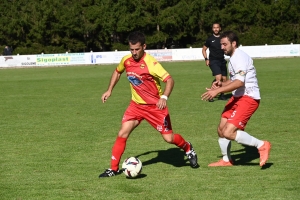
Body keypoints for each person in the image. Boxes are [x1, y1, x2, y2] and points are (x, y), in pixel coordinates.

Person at [99, 31, 199, 178]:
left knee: (169, 139)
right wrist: (109, 90)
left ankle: (188, 147)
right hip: (136, 106)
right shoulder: (126, 60)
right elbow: (117, 71)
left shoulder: (151, 63)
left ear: (144, 47)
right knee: (122, 133)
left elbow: (170, 80)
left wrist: (164, 97)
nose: (134, 53)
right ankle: (113, 169)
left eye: (137, 49)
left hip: (155, 107)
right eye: (131, 49)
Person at [201, 31, 271, 167]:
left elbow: (240, 83)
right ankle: (227, 160)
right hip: (238, 97)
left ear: (234, 43)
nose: (222, 47)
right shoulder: (233, 58)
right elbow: (234, 81)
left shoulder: (239, 57)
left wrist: (218, 91)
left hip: (248, 98)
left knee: (228, 132)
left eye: (224, 44)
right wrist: (221, 84)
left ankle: (262, 145)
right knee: (221, 129)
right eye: (221, 44)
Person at [202, 23, 228, 102]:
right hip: (213, 61)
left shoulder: (223, 38)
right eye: (214, 28)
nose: (216, 29)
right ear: (212, 29)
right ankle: (211, 95)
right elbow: (203, 49)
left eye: (217, 27)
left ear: (220, 28)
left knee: (224, 79)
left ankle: (222, 95)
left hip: (222, 60)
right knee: (218, 78)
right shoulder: (210, 39)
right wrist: (206, 59)